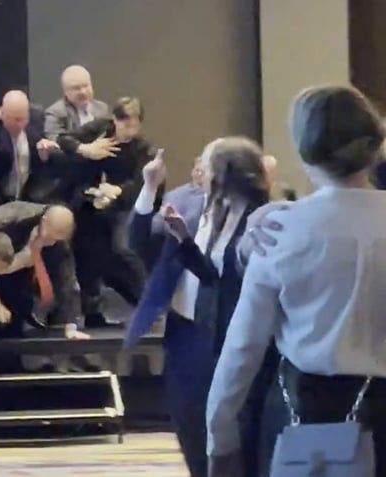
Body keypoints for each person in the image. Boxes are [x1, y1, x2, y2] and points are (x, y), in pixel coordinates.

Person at [206, 85, 386, 477]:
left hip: (304, 415)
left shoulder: (281, 230)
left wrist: (219, 437)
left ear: (305, 149)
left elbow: (243, 348)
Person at [126, 138, 277, 477]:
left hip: (234, 338)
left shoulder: (261, 217)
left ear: (224, 174)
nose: (199, 170)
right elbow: (141, 241)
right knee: (190, 421)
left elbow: (235, 280)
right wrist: (183, 237)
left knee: (238, 429)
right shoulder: (189, 204)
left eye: (205, 164)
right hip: (188, 332)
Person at [56, 97, 154, 318]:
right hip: (88, 203)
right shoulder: (99, 129)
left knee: (122, 249)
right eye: (125, 125)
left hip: (120, 205)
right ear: (114, 120)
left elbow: (139, 181)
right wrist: (86, 149)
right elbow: (65, 139)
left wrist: (117, 191)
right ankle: (91, 310)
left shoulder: (141, 148)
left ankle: (146, 300)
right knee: (88, 253)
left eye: (134, 126)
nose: (129, 131)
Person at [0, 202, 89, 339]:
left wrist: (72, 326)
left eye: (56, 240)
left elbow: (68, 283)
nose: (51, 242)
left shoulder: (58, 244)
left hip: (18, 277)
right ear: (44, 221)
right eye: (49, 237)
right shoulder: (17, 215)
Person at [0, 90, 62, 212]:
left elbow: (41, 170)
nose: (20, 124)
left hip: (29, 195)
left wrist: (44, 157)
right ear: (2, 115)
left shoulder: (35, 130)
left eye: (23, 118)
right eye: (15, 120)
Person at [43, 65, 109, 141]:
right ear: (65, 92)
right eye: (76, 88)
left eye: (86, 86)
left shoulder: (102, 108)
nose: (83, 92)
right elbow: (55, 141)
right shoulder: (55, 113)